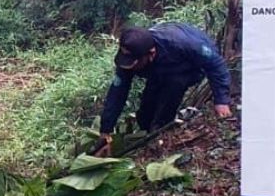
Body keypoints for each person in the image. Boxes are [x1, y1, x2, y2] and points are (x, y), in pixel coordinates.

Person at [94, 23, 232, 156]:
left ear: (151, 53)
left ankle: (161, 135)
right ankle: (147, 135)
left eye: (134, 64)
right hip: (158, 70)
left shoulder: (184, 45)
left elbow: (215, 64)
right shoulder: (130, 56)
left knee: (172, 90)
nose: (130, 68)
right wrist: (105, 132)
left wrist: (221, 101)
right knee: (145, 114)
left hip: (189, 67)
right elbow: (117, 93)